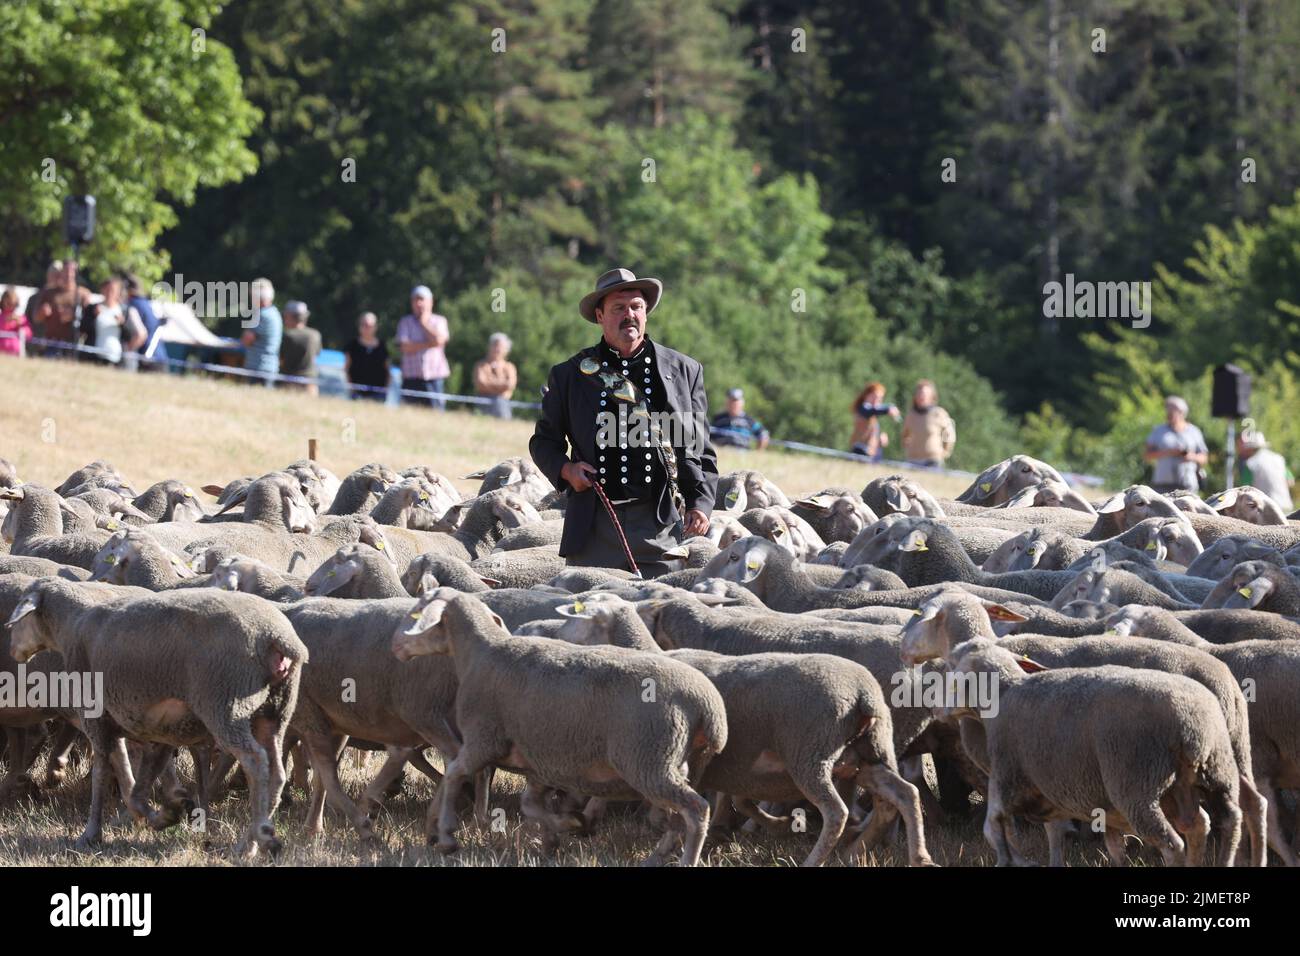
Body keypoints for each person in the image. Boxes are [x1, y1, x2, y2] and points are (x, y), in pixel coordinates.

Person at [530, 267, 718, 577]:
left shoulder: (684, 371)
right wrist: (567, 470)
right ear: (600, 316)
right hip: (595, 527)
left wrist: (701, 502)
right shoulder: (570, 375)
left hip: (660, 527)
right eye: (618, 308)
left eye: (636, 307)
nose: (629, 315)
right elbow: (543, 442)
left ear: (646, 313)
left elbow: (701, 449)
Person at [396, 285, 450, 409]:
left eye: (422, 299)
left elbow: (440, 340)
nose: (419, 303)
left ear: (430, 302)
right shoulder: (405, 322)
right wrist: (430, 344)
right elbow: (405, 347)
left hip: (434, 376)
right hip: (411, 377)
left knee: (436, 413)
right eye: (415, 300)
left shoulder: (439, 321)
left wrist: (423, 323)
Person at [1144, 395, 1208, 493]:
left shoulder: (1194, 431)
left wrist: (1191, 456)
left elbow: (1204, 458)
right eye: (1167, 411)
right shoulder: (1158, 431)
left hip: (1187, 484)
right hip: (1162, 484)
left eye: (1172, 412)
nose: (1168, 414)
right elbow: (1147, 455)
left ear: (1182, 412)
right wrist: (1169, 453)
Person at [31, 259, 92, 353]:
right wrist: (42, 312)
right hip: (51, 344)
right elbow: (36, 318)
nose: (69, 274)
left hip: (73, 346)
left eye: (72, 271)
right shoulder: (48, 292)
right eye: (66, 271)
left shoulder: (83, 294)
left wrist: (74, 316)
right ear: (61, 272)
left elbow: (88, 322)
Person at [901, 379, 956, 467]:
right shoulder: (911, 414)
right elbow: (905, 435)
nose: (921, 396)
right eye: (919, 393)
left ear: (931, 397)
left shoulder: (939, 413)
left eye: (925, 394)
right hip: (913, 460)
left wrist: (946, 452)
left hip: (932, 461)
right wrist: (908, 445)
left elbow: (949, 435)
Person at [1237, 429, 1294, 510]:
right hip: (1285, 505)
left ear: (1250, 448)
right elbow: (1290, 482)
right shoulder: (1278, 459)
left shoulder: (1250, 464)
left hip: (1266, 509)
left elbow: (1245, 490)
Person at [241, 277, 282, 387]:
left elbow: (247, 340)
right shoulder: (274, 313)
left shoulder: (261, 315)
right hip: (269, 367)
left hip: (258, 368)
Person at [124, 274, 169, 368]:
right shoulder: (146, 303)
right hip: (159, 356)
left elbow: (141, 334)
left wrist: (126, 352)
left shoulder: (133, 304)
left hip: (147, 357)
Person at [344, 312, 391, 401]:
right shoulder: (352, 345)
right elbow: (346, 369)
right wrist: (351, 388)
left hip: (378, 394)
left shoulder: (382, 346)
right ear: (359, 326)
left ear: (375, 327)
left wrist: (385, 390)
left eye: (370, 325)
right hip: (357, 393)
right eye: (364, 325)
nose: (367, 328)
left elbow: (388, 370)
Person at [279, 300, 323, 395]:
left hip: (289, 383)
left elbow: (281, 359)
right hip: (311, 385)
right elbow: (317, 355)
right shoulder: (315, 335)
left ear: (290, 316)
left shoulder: (288, 335)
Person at [850, 380, 900, 461]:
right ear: (866, 395)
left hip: (871, 454)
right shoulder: (862, 409)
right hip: (860, 451)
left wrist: (879, 440)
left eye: (880, 399)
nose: (876, 401)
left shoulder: (873, 415)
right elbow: (871, 411)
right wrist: (888, 409)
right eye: (874, 397)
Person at [473, 332, 518, 419]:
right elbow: (480, 383)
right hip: (483, 404)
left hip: (503, 405)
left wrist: (490, 382)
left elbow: (510, 384)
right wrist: (501, 386)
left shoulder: (510, 367)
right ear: (489, 347)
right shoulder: (480, 365)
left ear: (506, 350)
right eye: (495, 345)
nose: (497, 349)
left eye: (500, 346)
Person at [92, 277, 128, 365]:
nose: (109, 292)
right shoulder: (93, 308)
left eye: (112, 290)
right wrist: (94, 316)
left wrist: (122, 324)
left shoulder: (124, 310)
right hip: (94, 355)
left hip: (115, 357)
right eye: (107, 289)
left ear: (118, 292)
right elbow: (84, 329)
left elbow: (128, 336)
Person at [0, 287, 33, 357]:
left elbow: (28, 336)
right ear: (2, 302)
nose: (10, 306)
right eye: (8, 303)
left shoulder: (21, 319)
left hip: (15, 354)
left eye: (13, 303)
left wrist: (20, 324)